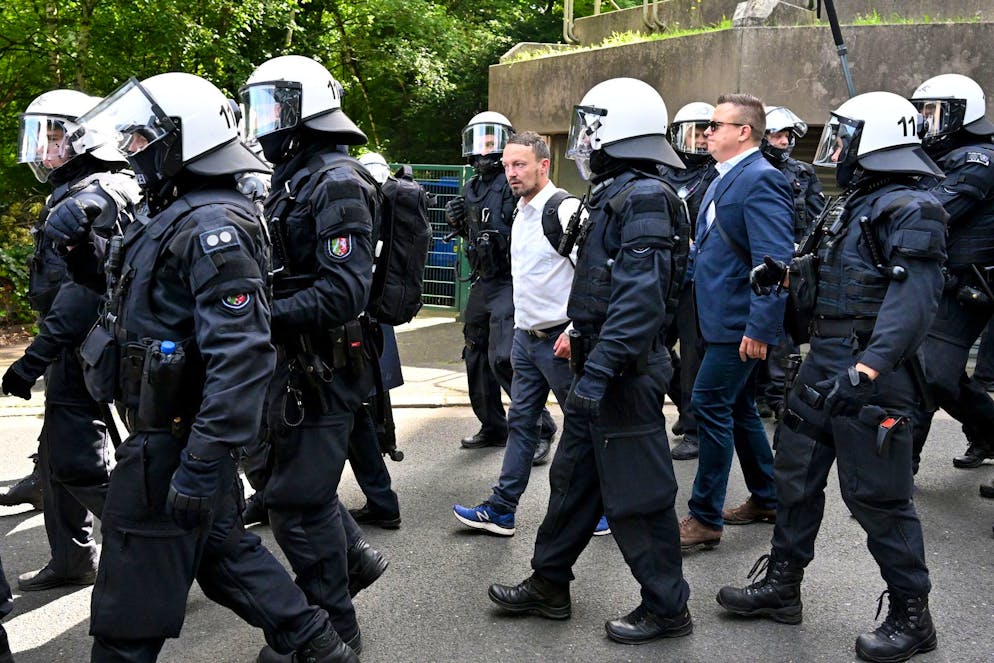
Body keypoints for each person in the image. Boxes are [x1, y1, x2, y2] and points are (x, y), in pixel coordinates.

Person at [45, 72, 356, 663]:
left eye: (140, 140)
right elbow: (133, 303)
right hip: (172, 436)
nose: (131, 152)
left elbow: (241, 356)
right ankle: (321, 648)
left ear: (181, 140)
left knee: (125, 617)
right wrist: (82, 252)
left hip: (177, 440)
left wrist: (202, 459)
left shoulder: (212, 224)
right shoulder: (174, 213)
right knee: (224, 557)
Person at [719, 91, 947, 663]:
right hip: (823, 359)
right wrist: (788, 273)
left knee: (878, 497)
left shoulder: (913, 209)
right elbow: (832, 268)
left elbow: (913, 301)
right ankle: (782, 587)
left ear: (876, 142)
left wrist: (868, 369)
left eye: (847, 136)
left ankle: (912, 616)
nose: (836, 148)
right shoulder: (852, 202)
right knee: (794, 475)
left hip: (875, 370)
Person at [488, 78, 693, 645]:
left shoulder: (646, 197)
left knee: (640, 497)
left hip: (622, 375)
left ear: (621, 131)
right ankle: (549, 584)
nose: (584, 142)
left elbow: (640, 301)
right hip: (598, 370)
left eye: (593, 129)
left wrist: (598, 372)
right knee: (572, 479)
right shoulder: (615, 193)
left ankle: (668, 609)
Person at [240, 54, 380, 658]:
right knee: (298, 492)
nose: (264, 122)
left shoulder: (336, 180)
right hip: (298, 365)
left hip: (323, 369)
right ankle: (354, 564)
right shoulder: (298, 178)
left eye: (274, 106)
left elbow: (345, 289)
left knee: (297, 506)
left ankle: (334, 626)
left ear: (307, 111)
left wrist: (259, 312)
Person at [4, 89, 139, 592]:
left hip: (90, 345)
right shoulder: (74, 189)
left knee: (80, 462)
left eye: (53, 136)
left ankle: (153, 550)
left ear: (88, 137)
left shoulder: (98, 193)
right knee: (59, 460)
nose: (42, 149)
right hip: (72, 346)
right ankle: (72, 559)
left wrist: (32, 359)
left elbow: (83, 294)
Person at [452, 131, 583, 536]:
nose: (511, 173)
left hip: (560, 343)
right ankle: (502, 509)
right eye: (508, 165)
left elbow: (597, 278)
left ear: (544, 165)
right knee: (522, 426)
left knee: (584, 430)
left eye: (520, 164)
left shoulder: (565, 210)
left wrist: (577, 329)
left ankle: (599, 510)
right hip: (527, 338)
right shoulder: (521, 211)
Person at [679, 94, 794, 550]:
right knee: (739, 407)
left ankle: (704, 517)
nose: (708, 132)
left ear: (744, 131)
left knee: (708, 405)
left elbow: (774, 262)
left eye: (716, 124)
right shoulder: (726, 176)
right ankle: (767, 497)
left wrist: (761, 328)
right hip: (719, 319)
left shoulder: (761, 179)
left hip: (739, 325)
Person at [444, 112, 556, 461]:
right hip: (485, 280)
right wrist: (460, 222)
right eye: (479, 140)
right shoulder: (472, 186)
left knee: (505, 356)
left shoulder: (512, 184)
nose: (484, 149)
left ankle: (541, 427)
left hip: (510, 280)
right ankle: (493, 424)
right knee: (475, 352)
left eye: (492, 140)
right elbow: (476, 237)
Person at [906, 74, 994, 472]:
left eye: (935, 112)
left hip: (968, 284)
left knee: (932, 375)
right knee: (936, 374)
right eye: (923, 112)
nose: (927, 120)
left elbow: (935, 210)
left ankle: (900, 470)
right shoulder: (937, 156)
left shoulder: (979, 160)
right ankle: (988, 433)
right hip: (940, 279)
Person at [754, 105, 826, 419]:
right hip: (757, 259)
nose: (783, 141)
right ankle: (758, 394)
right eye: (776, 135)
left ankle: (781, 397)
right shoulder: (749, 169)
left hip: (791, 262)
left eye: (786, 135)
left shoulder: (803, 173)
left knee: (785, 336)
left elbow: (817, 218)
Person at [659, 101, 719, 461]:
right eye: (691, 132)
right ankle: (685, 408)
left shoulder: (718, 175)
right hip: (666, 278)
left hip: (698, 281)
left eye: (703, 132)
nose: (697, 140)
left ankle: (695, 428)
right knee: (656, 349)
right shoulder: (664, 173)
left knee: (695, 354)